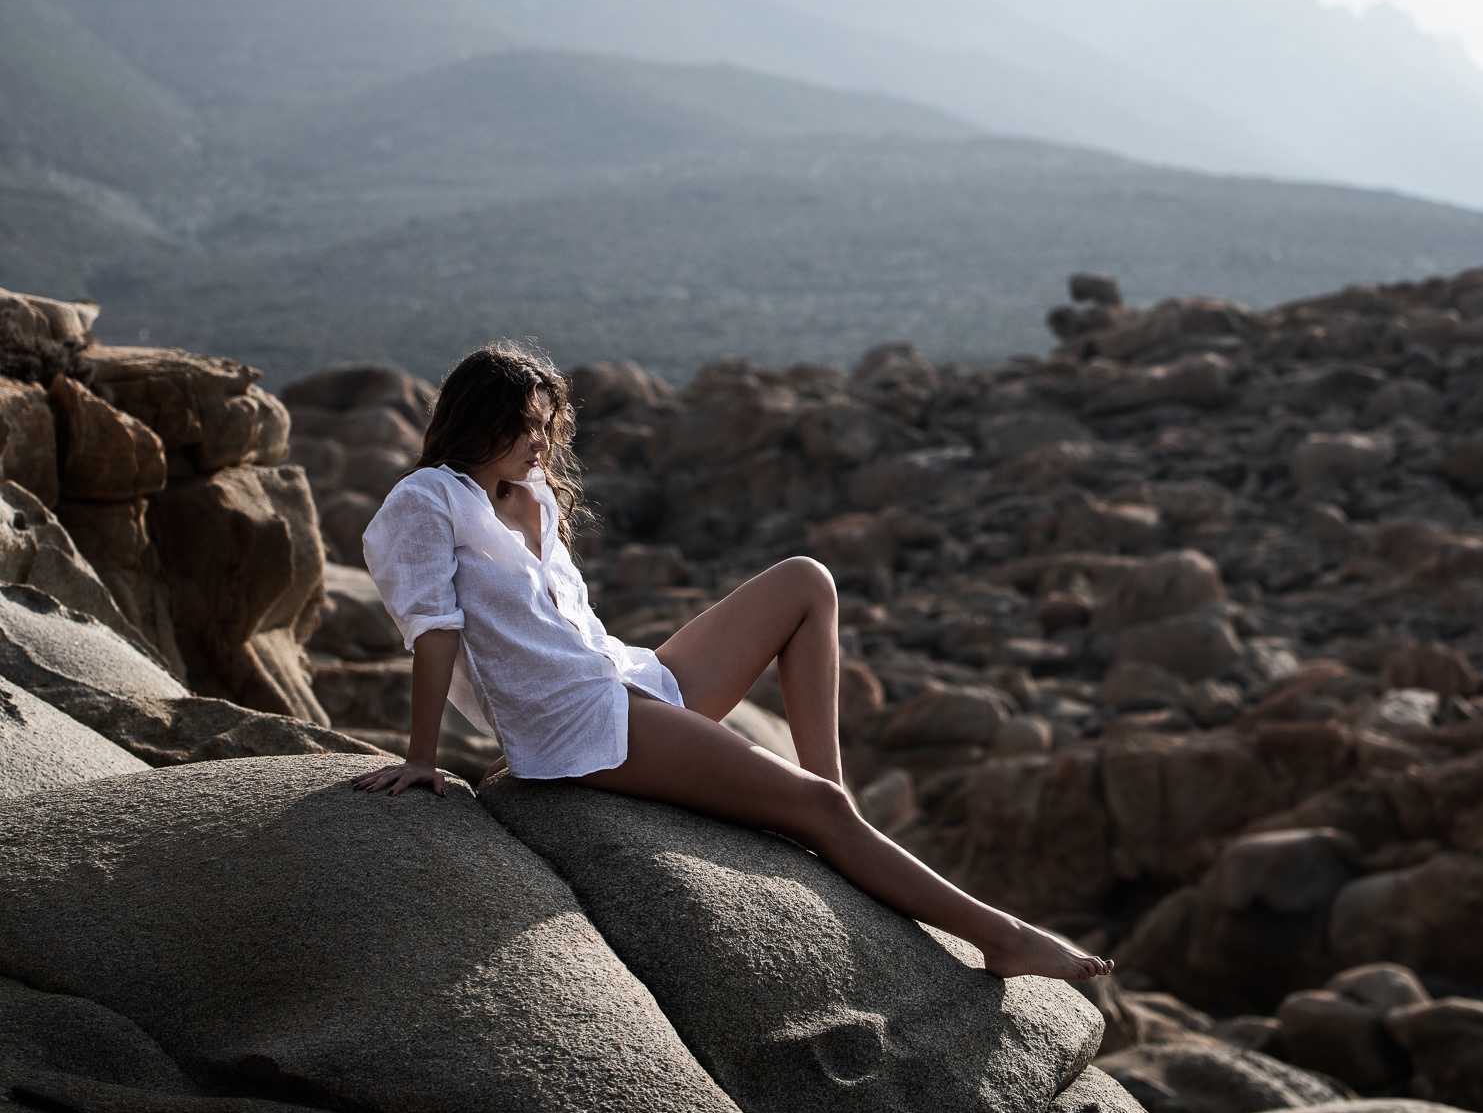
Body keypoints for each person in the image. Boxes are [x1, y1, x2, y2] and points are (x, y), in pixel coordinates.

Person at [355, 341, 1111, 983]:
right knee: (822, 818)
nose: (543, 446)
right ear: (478, 419)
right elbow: (435, 632)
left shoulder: (528, 495)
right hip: (577, 723)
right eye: (528, 428)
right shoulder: (426, 501)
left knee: (806, 582)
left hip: (624, 678)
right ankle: (1000, 938)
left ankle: (828, 794)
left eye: (550, 428)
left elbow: (564, 628)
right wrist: (423, 758)